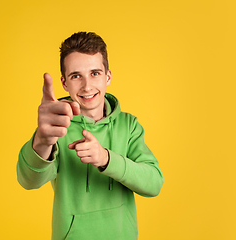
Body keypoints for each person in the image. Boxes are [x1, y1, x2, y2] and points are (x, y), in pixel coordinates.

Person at [17, 32, 164, 240]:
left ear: (108, 77)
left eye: (95, 73)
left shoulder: (129, 126)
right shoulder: (57, 127)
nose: (87, 86)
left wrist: (106, 158)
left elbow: (153, 183)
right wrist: (42, 140)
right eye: (76, 76)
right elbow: (28, 181)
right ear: (64, 83)